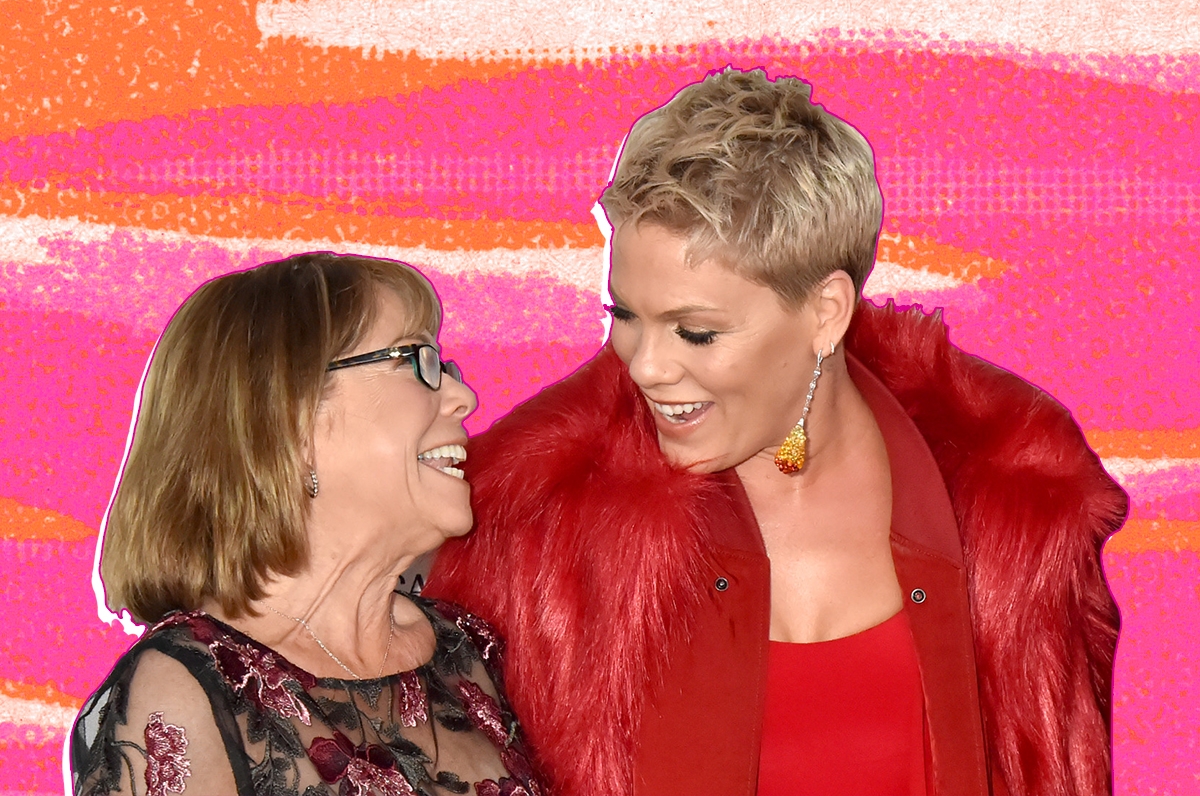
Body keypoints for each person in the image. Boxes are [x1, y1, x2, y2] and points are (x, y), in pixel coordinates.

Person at [428, 69, 1126, 796]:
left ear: (826, 312)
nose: (645, 365)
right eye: (624, 315)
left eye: (696, 332)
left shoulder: (1012, 513)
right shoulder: (539, 527)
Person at [71, 253, 544, 796]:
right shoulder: (189, 689)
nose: (463, 397)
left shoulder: (472, 650)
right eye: (418, 360)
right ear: (289, 419)